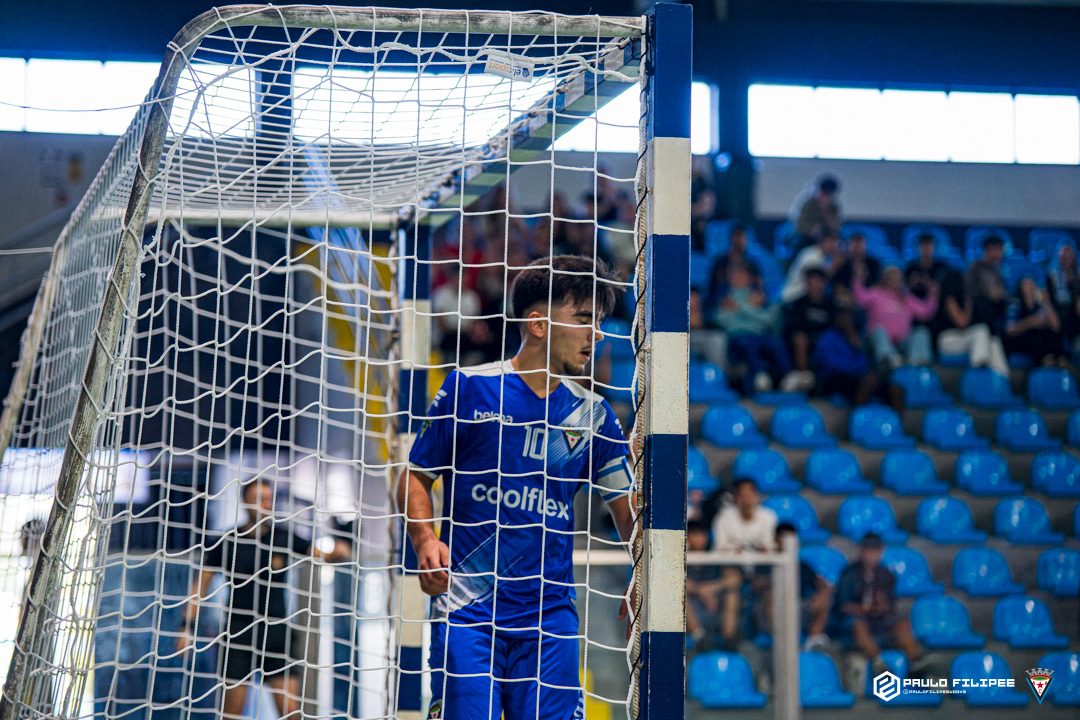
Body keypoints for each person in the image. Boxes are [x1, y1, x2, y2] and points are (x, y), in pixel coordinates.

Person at [399, 255, 636, 720]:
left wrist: (645, 578)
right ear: (539, 324)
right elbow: (415, 475)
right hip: (467, 611)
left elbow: (626, 512)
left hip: (550, 618)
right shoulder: (469, 388)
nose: (597, 334)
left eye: (600, 322)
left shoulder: (595, 415)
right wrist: (425, 539)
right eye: (584, 319)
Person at [179, 478, 350, 719]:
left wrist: (340, 550)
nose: (265, 504)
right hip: (238, 634)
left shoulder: (283, 537)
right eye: (259, 499)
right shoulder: (228, 541)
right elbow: (201, 585)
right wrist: (186, 627)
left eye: (269, 499)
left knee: (291, 713)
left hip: (275, 632)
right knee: (232, 715)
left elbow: (321, 554)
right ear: (245, 502)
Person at [827, 534, 929, 676]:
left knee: (903, 625)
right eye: (868, 551)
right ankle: (878, 661)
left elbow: (889, 609)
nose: (871, 556)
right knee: (858, 625)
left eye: (874, 551)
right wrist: (866, 609)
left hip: (877, 621)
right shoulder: (848, 574)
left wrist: (882, 607)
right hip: (852, 623)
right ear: (861, 551)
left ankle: (916, 663)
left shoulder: (886, 575)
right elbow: (844, 607)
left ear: (881, 552)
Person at [711, 478, 778, 646]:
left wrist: (749, 549)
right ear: (736, 497)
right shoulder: (724, 518)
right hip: (734, 568)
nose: (747, 499)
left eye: (750, 494)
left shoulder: (768, 517)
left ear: (757, 496)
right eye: (743, 495)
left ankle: (780, 641)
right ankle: (728, 640)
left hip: (760, 570)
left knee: (770, 590)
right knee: (732, 588)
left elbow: (771, 548)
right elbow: (720, 549)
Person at [750, 523, 833, 651]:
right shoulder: (766, 563)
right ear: (776, 540)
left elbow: (826, 585)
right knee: (770, 596)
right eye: (783, 539)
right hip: (768, 612)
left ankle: (813, 640)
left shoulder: (802, 566)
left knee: (824, 595)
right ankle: (781, 640)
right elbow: (755, 584)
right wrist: (773, 580)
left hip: (797, 609)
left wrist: (819, 595)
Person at [716, 264, 796, 394]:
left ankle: (789, 377)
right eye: (734, 275)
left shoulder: (759, 296)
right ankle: (760, 377)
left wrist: (740, 308)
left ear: (749, 278)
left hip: (759, 335)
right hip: (738, 337)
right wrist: (752, 312)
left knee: (776, 343)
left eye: (742, 275)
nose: (737, 278)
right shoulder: (725, 297)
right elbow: (723, 321)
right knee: (748, 344)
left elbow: (767, 320)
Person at [813, 307, 903, 412]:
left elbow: (864, 364)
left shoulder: (855, 337)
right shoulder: (827, 337)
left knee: (896, 390)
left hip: (857, 377)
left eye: (848, 316)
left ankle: (896, 422)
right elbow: (830, 363)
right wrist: (856, 371)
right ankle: (857, 419)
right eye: (842, 316)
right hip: (833, 378)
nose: (846, 319)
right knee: (867, 382)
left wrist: (853, 340)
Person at [853, 266, 938, 368]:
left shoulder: (906, 298)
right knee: (878, 331)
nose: (896, 281)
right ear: (885, 279)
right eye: (892, 277)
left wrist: (932, 295)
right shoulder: (876, 293)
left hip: (903, 341)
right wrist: (858, 279)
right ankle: (889, 361)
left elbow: (925, 313)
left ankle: (918, 364)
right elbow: (860, 299)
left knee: (921, 332)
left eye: (898, 278)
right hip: (882, 340)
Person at [935, 266, 1010, 376]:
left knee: (993, 342)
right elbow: (962, 323)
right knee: (981, 331)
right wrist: (968, 302)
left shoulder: (964, 299)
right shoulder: (949, 299)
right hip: (947, 340)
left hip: (961, 338)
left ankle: (1002, 380)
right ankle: (978, 372)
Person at [783, 266, 834, 392]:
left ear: (824, 283)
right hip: (805, 339)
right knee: (800, 338)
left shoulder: (831, 305)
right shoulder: (799, 304)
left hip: (826, 339)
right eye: (810, 281)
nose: (814, 285)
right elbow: (794, 326)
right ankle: (803, 376)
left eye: (817, 281)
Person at [1005, 276, 1068, 366]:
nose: (1030, 290)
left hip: (1044, 345)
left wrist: (1047, 302)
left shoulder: (1040, 305)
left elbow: (1057, 327)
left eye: (1032, 287)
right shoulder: (1015, 305)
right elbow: (1009, 330)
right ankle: (1045, 359)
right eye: (1027, 287)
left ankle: (1058, 358)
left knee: (1049, 331)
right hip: (1023, 343)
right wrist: (1031, 322)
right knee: (1035, 331)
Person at [685, 519, 725, 650]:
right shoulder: (680, 559)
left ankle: (728, 638)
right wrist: (701, 590)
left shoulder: (715, 558)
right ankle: (699, 637)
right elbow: (678, 583)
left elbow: (734, 579)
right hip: (693, 607)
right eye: (695, 534)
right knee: (682, 597)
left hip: (714, 605)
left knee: (732, 595)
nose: (700, 538)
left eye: (702, 534)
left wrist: (712, 588)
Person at [967, 235, 1010, 337]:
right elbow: (976, 294)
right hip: (979, 315)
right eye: (999, 250)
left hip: (995, 316)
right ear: (989, 248)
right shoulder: (975, 269)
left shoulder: (997, 271)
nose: (1001, 254)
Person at [781, 231, 841, 304]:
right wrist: (836, 265)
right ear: (824, 241)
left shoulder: (825, 257)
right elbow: (815, 282)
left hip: (803, 297)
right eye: (832, 242)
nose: (834, 246)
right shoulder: (811, 255)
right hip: (794, 296)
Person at [789, 175, 842, 249]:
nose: (826, 197)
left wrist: (825, 212)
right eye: (824, 193)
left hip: (825, 239)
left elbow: (836, 227)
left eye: (829, 194)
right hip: (805, 238)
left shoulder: (834, 208)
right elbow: (799, 224)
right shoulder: (809, 203)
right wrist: (813, 230)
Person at [1047, 241, 1080, 356]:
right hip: (1057, 315)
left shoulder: (1078, 277)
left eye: (1069, 256)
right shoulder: (1051, 276)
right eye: (1063, 256)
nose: (1066, 260)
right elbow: (1044, 298)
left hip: (1074, 319)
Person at [832, 233, 882, 301]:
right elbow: (838, 285)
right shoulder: (843, 265)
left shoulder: (874, 264)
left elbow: (879, 284)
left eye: (860, 243)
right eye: (855, 243)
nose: (857, 247)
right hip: (849, 298)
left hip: (872, 297)